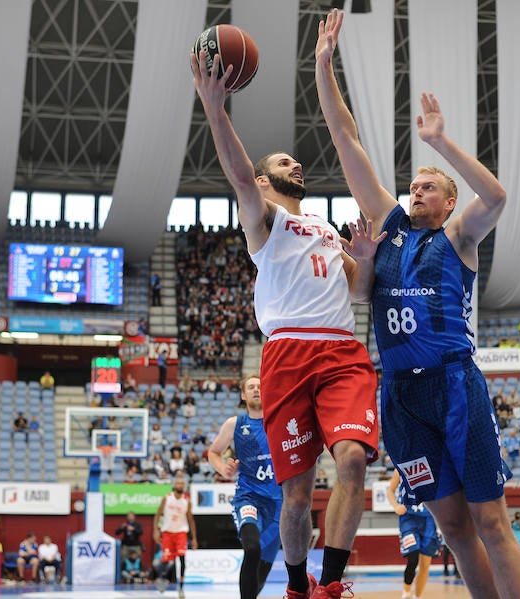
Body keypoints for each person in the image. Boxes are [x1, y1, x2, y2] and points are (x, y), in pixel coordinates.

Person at [314, 9, 520, 599]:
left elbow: (498, 194)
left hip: (454, 382)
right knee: (454, 528)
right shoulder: (387, 230)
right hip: (401, 395)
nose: (416, 190)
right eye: (413, 184)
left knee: (490, 520)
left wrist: (440, 141)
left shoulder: (459, 236)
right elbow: (346, 138)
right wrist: (322, 68)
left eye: (428, 186)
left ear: (448, 201)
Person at [192, 25, 382, 599]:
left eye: (297, 161)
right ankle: (296, 586)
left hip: (342, 351)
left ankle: (330, 584)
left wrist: (367, 258)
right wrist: (215, 108)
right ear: (260, 178)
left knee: (352, 461)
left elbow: (361, 291)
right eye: (282, 160)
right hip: (287, 354)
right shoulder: (264, 220)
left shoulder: (324, 226)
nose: (295, 164)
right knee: (296, 491)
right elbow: (233, 166)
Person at [208, 374, 283, 599]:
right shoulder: (235, 424)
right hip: (248, 498)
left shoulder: (279, 421)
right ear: (243, 395)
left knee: (259, 578)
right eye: (250, 387)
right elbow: (213, 452)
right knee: (252, 548)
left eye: (260, 386)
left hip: (278, 505)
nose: (256, 390)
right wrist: (224, 470)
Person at [387, 469, 441, 599]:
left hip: (429, 518)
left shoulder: (433, 465)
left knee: (425, 565)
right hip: (409, 518)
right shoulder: (399, 468)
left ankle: (417, 596)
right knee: (413, 557)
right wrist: (396, 506)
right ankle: (406, 594)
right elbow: (390, 491)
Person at [154, 476, 197, 595]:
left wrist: (194, 538)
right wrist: (155, 531)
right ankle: (164, 580)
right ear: (174, 485)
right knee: (167, 560)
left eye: (182, 483)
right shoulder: (167, 498)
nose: (180, 485)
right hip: (167, 532)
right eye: (178, 483)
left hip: (181, 533)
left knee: (182, 559)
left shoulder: (187, 501)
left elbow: (191, 520)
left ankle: (181, 586)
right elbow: (157, 515)